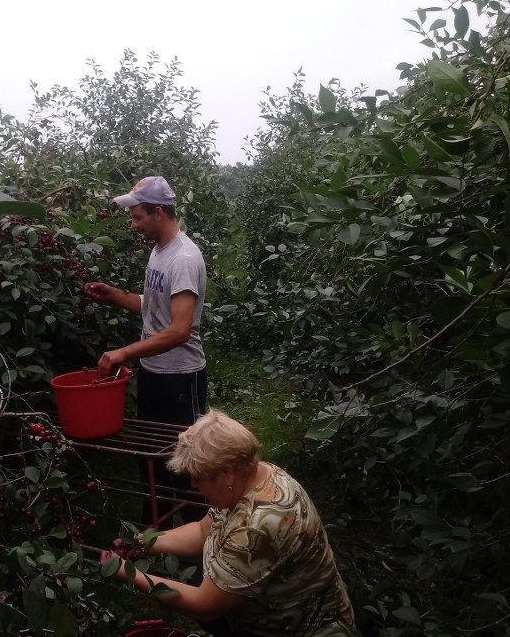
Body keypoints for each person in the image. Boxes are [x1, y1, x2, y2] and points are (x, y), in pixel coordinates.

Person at [101, 410, 357, 637]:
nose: (193, 485)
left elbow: (205, 606)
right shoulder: (256, 474)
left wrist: (128, 574)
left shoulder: (258, 525)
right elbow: (203, 530)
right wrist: (144, 543)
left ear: (226, 473)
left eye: (198, 477)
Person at [83, 175, 207, 426]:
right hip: (153, 370)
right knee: (151, 453)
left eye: (137, 217)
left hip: (180, 376)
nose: (133, 225)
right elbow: (152, 305)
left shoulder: (182, 258)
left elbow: (180, 330)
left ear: (158, 212)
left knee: (183, 458)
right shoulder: (159, 250)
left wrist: (123, 352)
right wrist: (114, 294)